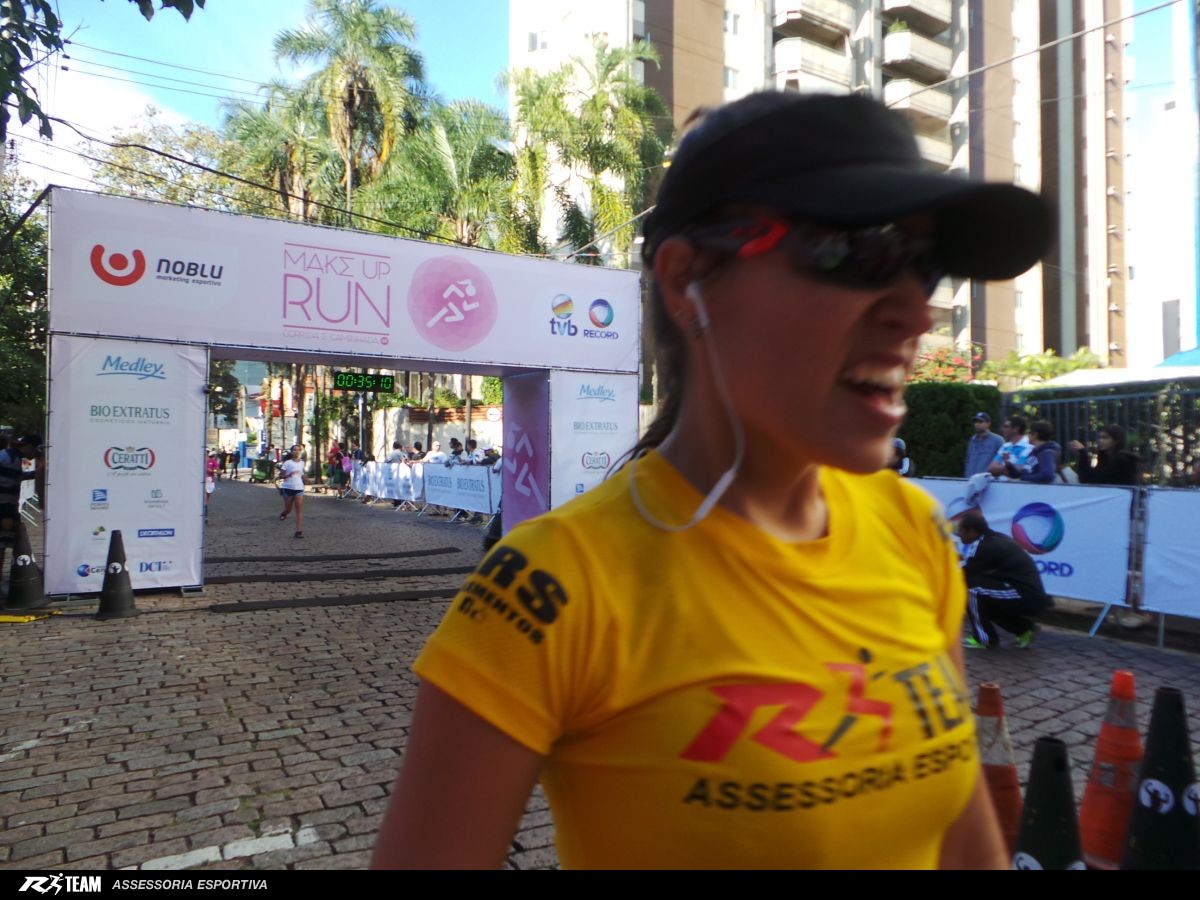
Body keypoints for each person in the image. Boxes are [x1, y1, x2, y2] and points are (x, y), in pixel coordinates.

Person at [371, 91, 1052, 870]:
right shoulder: (553, 585)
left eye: (924, 265)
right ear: (685, 279)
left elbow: (965, 839)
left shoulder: (913, 527)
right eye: (856, 251)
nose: (916, 313)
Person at [955, 509, 1052, 650]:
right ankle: (1024, 630)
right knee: (981, 595)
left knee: (972, 590)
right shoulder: (994, 538)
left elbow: (963, 573)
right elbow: (973, 568)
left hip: (1026, 596)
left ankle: (984, 639)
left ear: (972, 531)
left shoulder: (985, 546)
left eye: (961, 531)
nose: (959, 535)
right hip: (1028, 594)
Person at [0, 434, 40, 582]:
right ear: (28, 446)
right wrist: (6, 515)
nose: (36, 455)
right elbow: (4, 489)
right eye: (36, 450)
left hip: (7, 508)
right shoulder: (10, 460)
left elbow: (16, 476)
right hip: (4, 509)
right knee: (1, 544)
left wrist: (35, 474)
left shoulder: (10, 456)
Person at [1068, 425, 1140, 486]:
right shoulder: (1104, 458)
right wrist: (1082, 454)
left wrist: (1083, 454)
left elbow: (1094, 480)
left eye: (1105, 438)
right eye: (1099, 437)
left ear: (1116, 441)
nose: (1100, 440)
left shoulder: (1121, 459)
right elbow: (1087, 478)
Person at [986, 415, 1032, 480]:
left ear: (1016, 429)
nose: (1002, 429)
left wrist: (1002, 468)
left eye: (1006, 426)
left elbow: (1018, 471)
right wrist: (1008, 467)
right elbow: (990, 468)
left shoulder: (1028, 446)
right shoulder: (1005, 446)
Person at [276, 445, 306, 538]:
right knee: (288, 509)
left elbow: (302, 474)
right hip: (288, 488)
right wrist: (288, 475)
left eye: (298, 450)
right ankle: (285, 512)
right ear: (292, 451)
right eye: (295, 450)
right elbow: (280, 476)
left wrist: (306, 479)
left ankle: (298, 531)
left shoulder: (302, 463)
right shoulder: (287, 463)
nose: (297, 452)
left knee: (299, 510)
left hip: (299, 488)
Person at [964, 412, 1002, 478]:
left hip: (988, 481)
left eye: (980, 422)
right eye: (975, 422)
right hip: (970, 479)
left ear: (988, 423)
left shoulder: (998, 440)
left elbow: (1001, 462)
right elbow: (967, 461)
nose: (977, 424)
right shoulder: (972, 440)